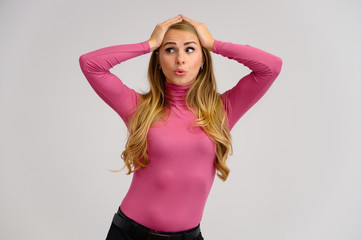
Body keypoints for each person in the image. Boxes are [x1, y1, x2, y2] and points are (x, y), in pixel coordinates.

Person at [79, 14, 282, 240]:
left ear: (203, 58)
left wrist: (214, 44)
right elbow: (90, 64)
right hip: (130, 234)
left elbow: (271, 67)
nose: (180, 59)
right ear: (158, 59)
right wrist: (148, 44)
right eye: (170, 50)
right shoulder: (139, 109)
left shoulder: (221, 111)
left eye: (189, 49)